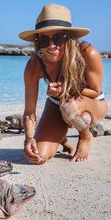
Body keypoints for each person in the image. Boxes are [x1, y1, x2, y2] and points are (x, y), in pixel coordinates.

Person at [18, 4, 108, 164]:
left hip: (91, 104)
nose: (51, 45)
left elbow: (95, 91)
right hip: (55, 106)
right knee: (37, 157)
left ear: (69, 37)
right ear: (38, 42)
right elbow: (29, 112)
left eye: (58, 38)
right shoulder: (34, 66)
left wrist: (66, 89)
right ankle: (63, 140)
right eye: (44, 39)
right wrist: (29, 139)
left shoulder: (87, 53)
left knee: (68, 105)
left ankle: (86, 136)